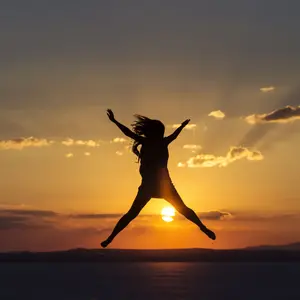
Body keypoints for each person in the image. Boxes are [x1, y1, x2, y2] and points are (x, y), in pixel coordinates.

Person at [101, 109, 216, 248]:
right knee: (182, 209)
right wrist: (182, 126)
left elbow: (128, 132)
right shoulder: (161, 142)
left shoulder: (152, 142)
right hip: (159, 185)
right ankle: (203, 227)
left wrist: (114, 121)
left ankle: (110, 238)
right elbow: (173, 135)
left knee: (132, 214)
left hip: (155, 186)